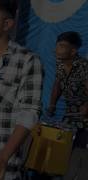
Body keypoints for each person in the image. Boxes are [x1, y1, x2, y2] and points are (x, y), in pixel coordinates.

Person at [0, 0, 43, 179]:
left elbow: (29, 112)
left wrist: (2, 158)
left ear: (7, 24)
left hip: (3, 170)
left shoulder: (27, 61)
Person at [47, 31, 88, 180]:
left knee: (77, 153)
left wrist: (86, 107)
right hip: (70, 115)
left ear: (73, 51)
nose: (58, 49)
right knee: (61, 148)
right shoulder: (60, 64)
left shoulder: (83, 66)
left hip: (84, 120)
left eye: (63, 46)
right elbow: (57, 85)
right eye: (58, 45)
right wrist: (52, 104)